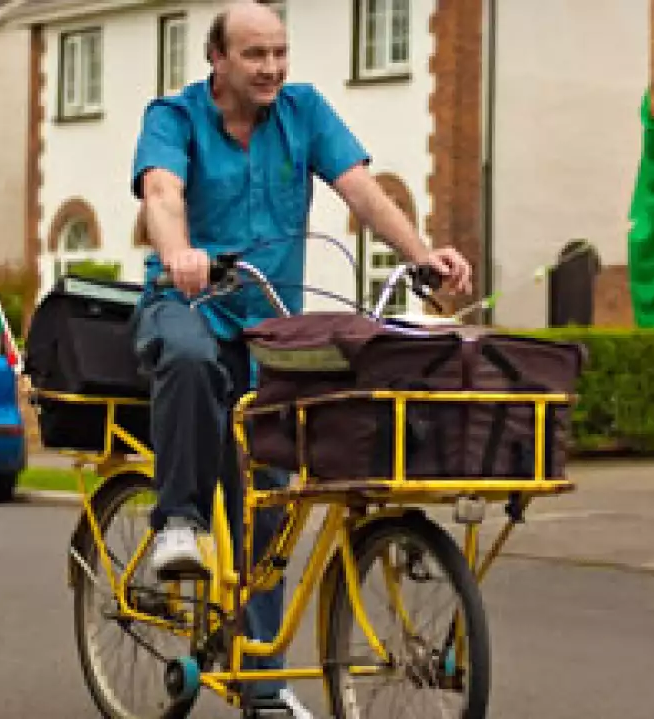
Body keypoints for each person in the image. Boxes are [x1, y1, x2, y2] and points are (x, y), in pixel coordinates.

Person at [129, 1, 473, 712]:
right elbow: (162, 190)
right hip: (187, 302)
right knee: (191, 357)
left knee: (272, 501)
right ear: (217, 60)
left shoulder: (304, 112)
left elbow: (360, 190)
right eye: (255, 55)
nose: (272, 68)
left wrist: (422, 256)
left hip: (272, 328)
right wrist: (178, 253)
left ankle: (263, 685)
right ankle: (178, 522)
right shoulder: (174, 116)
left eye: (280, 52)